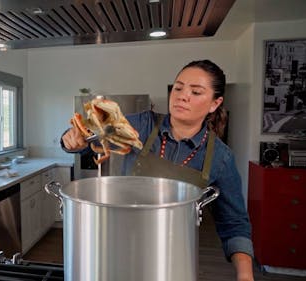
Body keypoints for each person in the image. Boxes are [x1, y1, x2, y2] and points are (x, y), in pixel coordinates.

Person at [61, 60, 254, 281]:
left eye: (196, 92)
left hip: (172, 260)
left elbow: (234, 223)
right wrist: (72, 140)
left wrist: (245, 275)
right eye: (178, 87)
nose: (182, 96)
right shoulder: (142, 125)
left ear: (214, 103)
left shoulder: (221, 157)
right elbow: (93, 133)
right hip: (115, 247)